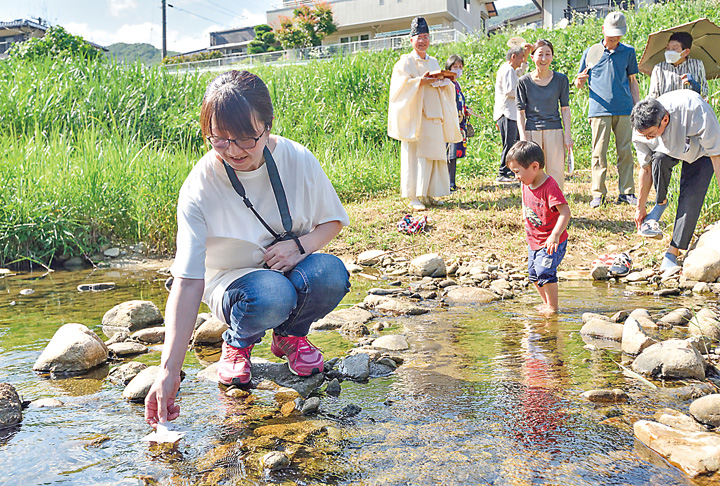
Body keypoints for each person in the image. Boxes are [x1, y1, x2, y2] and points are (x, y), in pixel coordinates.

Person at [144, 70, 351, 428]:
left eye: (245, 139)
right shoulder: (199, 187)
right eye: (219, 140)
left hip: (290, 265)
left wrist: (299, 247)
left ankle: (290, 336)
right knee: (271, 293)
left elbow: (333, 220)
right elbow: (188, 282)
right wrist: (168, 371)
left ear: (268, 125)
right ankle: (237, 343)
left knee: (331, 273)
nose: (234, 151)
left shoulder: (297, 159)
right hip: (233, 281)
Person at [631, 90, 720, 270]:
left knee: (691, 199)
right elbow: (645, 168)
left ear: (665, 119)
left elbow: (716, 156)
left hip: (700, 152)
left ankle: (673, 251)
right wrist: (640, 208)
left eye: (650, 134)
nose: (646, 138)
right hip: (668, 149)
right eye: (644, 135)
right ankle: (661, 203)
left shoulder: (695, 110)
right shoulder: (642, 128)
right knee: (658, 160)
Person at [639, 31, 709, 238]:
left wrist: (695, 86)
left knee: (693, 169)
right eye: (668, 48)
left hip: (692, 129)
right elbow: (652, 98)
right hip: (666, 127)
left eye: (674, 49)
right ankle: (660, 201)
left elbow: (704, 94)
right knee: (659, 160)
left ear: (686, 51)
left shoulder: (697, 66)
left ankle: (684, 226)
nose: (669, 52)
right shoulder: (660, 68)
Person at [388, 16, 462, 211]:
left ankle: (429, 193)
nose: (423, 41)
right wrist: (419, 81)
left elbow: (441, 85)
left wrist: (444, 83)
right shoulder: (404, 63)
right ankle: (413, 196)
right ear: (411, 40)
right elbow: (398, 90)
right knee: (415, 156)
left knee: (434, 155)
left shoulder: (434, 61)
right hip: (416, 116)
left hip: (434, 115)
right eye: (419, 37)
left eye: (426, 37)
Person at [575, 11, 640, 208]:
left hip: (624, 108)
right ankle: (598, 194)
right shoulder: (590, 52)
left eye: (618, 36)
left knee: (625, 152)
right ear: (602, 30)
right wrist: (579, 81)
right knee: (598, 154)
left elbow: (632, 81)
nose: (614, 40)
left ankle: (627, 192)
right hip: (599, 110)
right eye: (611, 36)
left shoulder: (628, 52)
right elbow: (578, 82)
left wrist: (637, 108)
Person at [506, 141, 571, 315]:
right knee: (534, 274)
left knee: (545, 271)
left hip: (551, 242)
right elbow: (525, 202)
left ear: (535, 166)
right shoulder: (526, 183)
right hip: (534, 240)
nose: (516, 177)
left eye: (517, 172)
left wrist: (555, 235)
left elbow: (565, 212)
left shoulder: (549, 187)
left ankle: (553, 307)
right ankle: (546, 303)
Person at [516, 39, 573, 191]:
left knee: (555, 172)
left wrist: (567, 135)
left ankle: (555, 209)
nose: (543, 59)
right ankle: (532, 210)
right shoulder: (523, 82)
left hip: (554, 130)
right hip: (531, 132)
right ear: (532, 56)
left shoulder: (561, 80)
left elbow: (565, 109)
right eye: (540, 54)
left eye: (548, 54)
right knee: (530, 173)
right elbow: (520, 113)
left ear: (552, 57)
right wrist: (523, 138)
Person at [494, 44, 531, 183]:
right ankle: (503, 172)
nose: (522, 60)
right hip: (507, 113)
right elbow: (509, 91)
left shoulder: (509, 69)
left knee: (512, 143)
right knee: (509, 144)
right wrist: (525, 94)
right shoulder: (508, 70)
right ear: (513, 57)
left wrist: (526, 54)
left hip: (509, 113)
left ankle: (508, 171)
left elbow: (521, 72)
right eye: (521, 57)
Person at [445, 54, 478, 191]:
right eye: (455, 66)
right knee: (449, 154)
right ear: (449, 67)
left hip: (459, 123)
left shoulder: (456, 83)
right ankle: (448, 184)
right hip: (450, 124)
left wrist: (465, 110)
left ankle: (452, 182)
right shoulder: (446, 83)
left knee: (454, 154)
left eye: (460, 67)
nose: (458, 69)